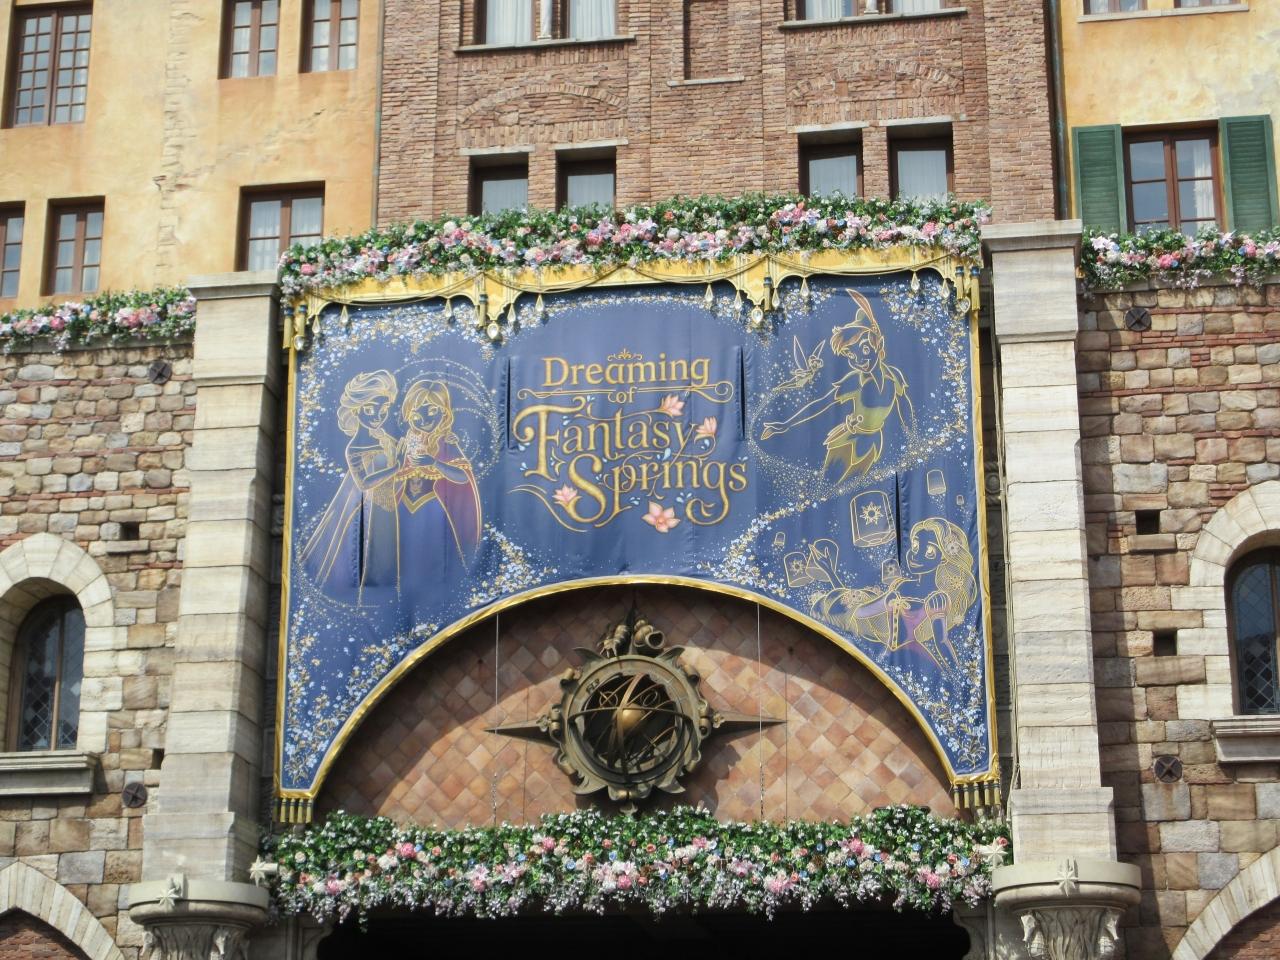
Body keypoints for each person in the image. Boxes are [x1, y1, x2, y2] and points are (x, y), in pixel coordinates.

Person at [761, 290, 915, 483]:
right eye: (850, 354)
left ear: (879, 345)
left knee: (856, 490)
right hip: (848, 441)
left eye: (864, 349)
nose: (858, 359)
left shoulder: (894, 377)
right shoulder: (855, 380)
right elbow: (822, 403)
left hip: (873, 442)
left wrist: (913, 436)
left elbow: (904, 404)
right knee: (828, 488)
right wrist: (785, 424)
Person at [808, 517, 977, 672]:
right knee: (841, 605)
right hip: (882, 651)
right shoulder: (900, 585)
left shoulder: (938, 598)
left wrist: (958, 677)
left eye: (929, 551)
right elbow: (856, 613)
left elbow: (941, 641)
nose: (916, 554)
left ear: (944, 557)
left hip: (909, 656)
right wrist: (830, 572)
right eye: (915, 545)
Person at [298, 369, 400, 603]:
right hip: (371, 512)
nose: (378, 415)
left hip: (392, 508)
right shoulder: (354, 448)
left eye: (384, 409)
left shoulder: (386, 439)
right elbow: (364, 482)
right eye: (370, 409)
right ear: (356, 409)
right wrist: (396, 467)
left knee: (391, 562)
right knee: (373, 561)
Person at [394, 379, 482, 572]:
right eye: (416, 414)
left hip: (431, 509)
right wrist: (397, 465)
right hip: (402, 509)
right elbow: (395, 480)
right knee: (402, 558)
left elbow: (463, 476)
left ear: (444, 413)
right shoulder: (407, 442)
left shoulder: (446, 441)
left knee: (432, 558)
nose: (424, 420)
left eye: (432, 411)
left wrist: (434, 463)